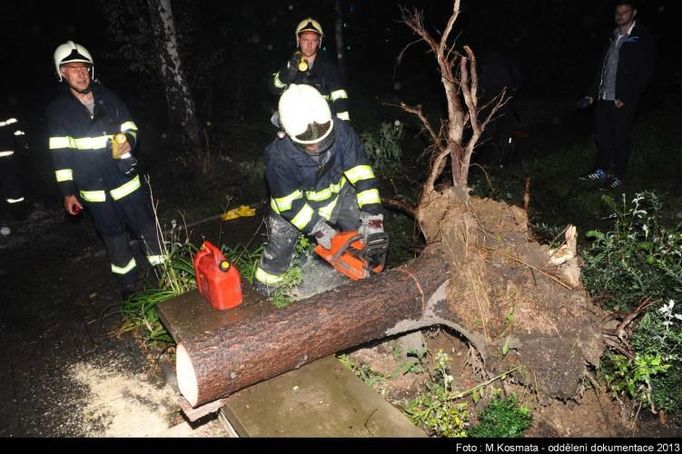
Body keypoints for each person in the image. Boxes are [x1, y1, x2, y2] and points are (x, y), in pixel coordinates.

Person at [47, 40, 164, 299]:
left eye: (84, 68)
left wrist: (129, 141)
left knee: (147, 227)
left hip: (125, 182)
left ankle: (166, 272)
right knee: (113, 237)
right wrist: (68, 192)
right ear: (62, 72)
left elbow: (131, 127)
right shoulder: (58, 111)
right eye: (73, 68)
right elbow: (60, 155)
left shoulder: (109, 98)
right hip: (94, 190)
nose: (81, 73)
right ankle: (129, 286)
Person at [254, 84, 384, 294]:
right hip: (293, 211)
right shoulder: (278, 157)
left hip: (338, 194)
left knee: (364, 236)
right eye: (310, 143)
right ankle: (265, 292)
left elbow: (362, 175)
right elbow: (289, 203)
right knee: (279, 252)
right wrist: (318, 227)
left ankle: (365, 279)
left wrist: (373, 217)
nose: (318, 146)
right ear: (284, 133)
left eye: (323, 137)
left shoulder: (342, 132)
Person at [579, 0, 655, 188]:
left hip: (622, 100)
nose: (620, 15)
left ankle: (618, 175)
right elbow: (602, 68)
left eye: (625, 12)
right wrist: (592, 94)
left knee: (620, 138)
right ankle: (601, 171)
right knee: (602, 137)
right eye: (617, 12)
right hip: (604, 96)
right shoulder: (612, 36)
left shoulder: (641, 37)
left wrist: (627, 97)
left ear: (634, 13)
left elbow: (645, 71)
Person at [268, 17, 350, 123]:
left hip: (323, 123)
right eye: (305, 40)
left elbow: (339, 97)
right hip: (295, 124)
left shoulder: (328, 67)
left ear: (319, 42)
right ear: (298, 40)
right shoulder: (289, 64)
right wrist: (287, 74)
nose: (309, 45)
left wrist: (344, 125)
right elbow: (273, 88)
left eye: (313, 40)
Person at [0, 114, 27, 236]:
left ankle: (19, 215)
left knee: (12, 189)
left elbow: (17, 131)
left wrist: (22, 148)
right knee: (11, 187)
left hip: (8, 158)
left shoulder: (5, 112)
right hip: (9, 157)